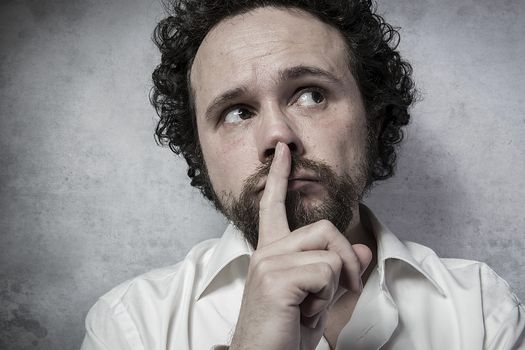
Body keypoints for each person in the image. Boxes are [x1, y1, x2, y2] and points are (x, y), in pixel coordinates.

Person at [81, 0, 524, 349]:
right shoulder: (130, 325)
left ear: (373, 116)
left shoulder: (480, 308)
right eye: (238, 111)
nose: (278, 136)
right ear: (200, 149)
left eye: (311, 95)